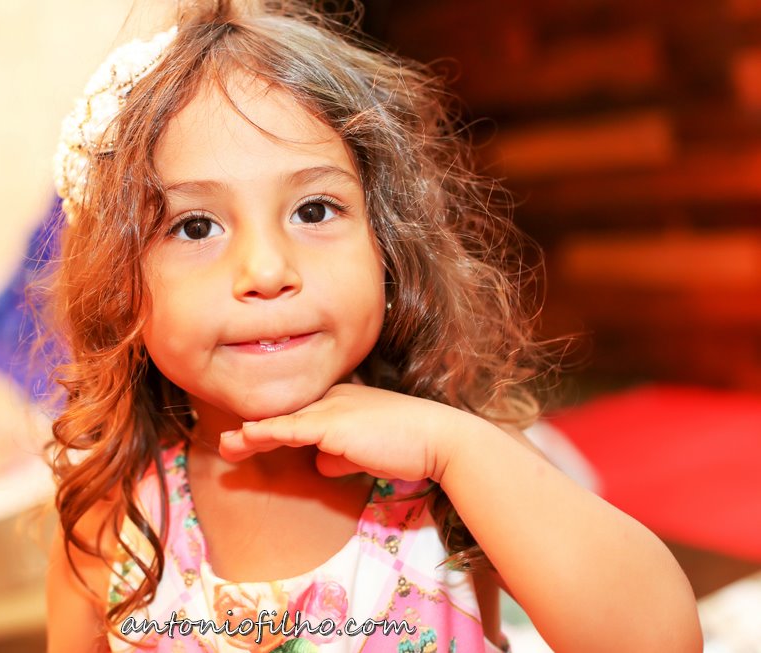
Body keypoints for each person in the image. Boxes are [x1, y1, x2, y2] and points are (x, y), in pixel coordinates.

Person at [43, 2, 702, 651]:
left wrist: (456, 449)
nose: (266, 270)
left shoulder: (452, 471)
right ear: (119, 285)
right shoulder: (113, 526)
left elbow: (660, 641)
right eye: (195, 226)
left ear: (387, 244)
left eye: (313, 210)